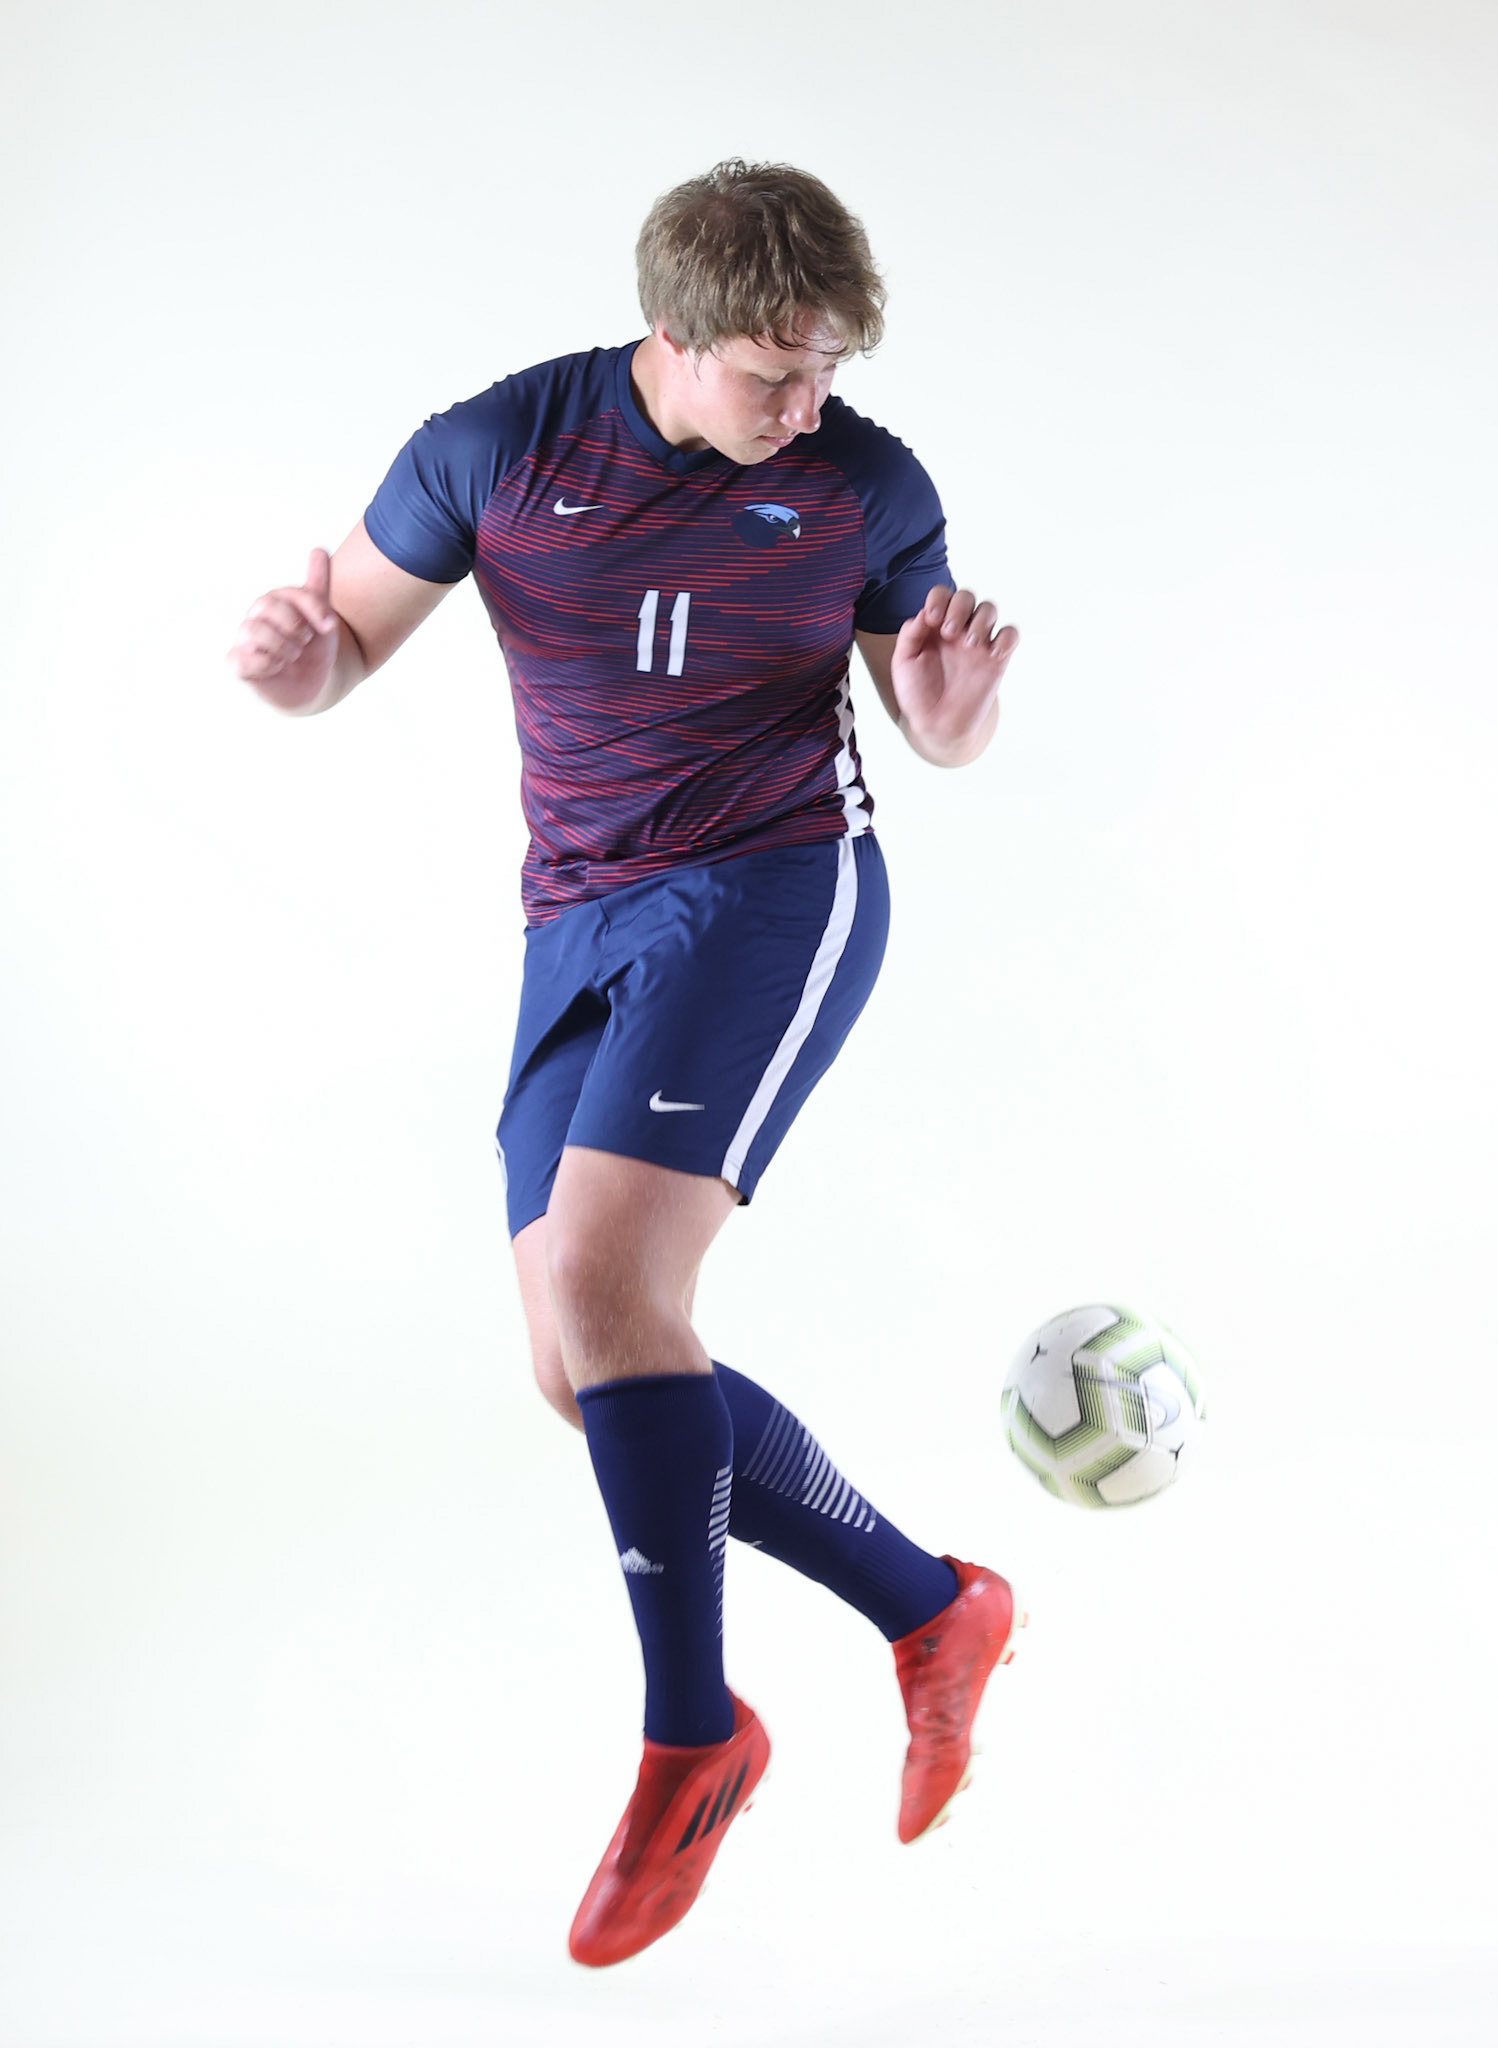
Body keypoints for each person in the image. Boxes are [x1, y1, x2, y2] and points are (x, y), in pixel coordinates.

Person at [228, 159, 1022, 1968]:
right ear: (670, 328)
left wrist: (950, 720)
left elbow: (926, 709)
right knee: (579, 1364)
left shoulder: (864, 482)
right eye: (773, 371)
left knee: (608, 1291)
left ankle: (692, 1740)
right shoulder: (498, 448)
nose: (807, 404)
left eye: (827, 369)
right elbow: (343, 644)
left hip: (774, 885)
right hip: (576, 918)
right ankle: (929, 1608)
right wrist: (293, 670)